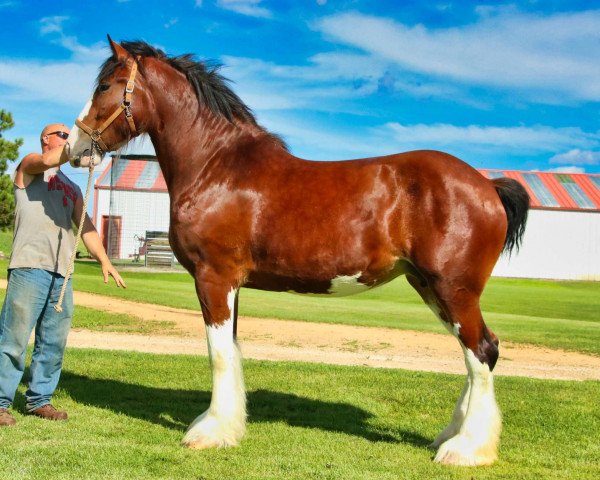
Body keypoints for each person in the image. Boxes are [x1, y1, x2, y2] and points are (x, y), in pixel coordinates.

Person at [0, 123, 126, 426]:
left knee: (53, 342)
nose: (69, 140)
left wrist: (104, 259)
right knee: (14, 339)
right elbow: (46, 161)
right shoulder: (29, 167)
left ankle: (39, 400)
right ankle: (1, 402)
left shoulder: (71, 187)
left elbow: (87, 227)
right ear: (47, 139)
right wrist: (78, 146)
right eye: (64, 136)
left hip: (62, 274)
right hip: (29, 266)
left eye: (69, 138)